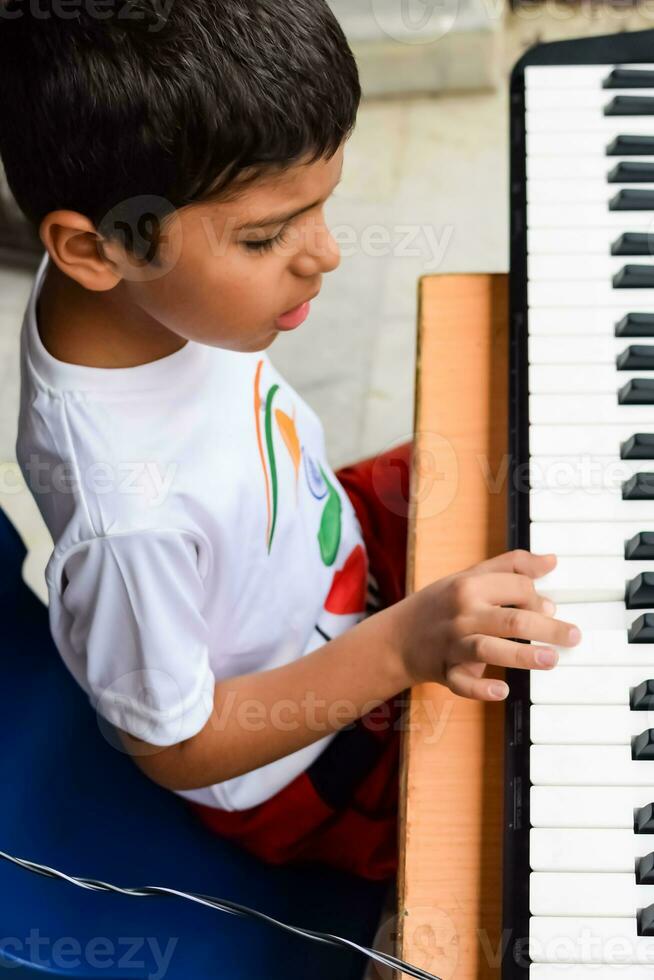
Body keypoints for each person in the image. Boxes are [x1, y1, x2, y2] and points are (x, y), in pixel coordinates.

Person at [2, 0, 581, 882]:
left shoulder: (124, 270)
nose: (326, 255)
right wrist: (398, 647)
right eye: (268, 236)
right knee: (546, 812)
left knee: (550, 459)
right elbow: (175, 744)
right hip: (308, 756)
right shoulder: (131, 519)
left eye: (322, 206)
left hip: (321, 544)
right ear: (93, 248)